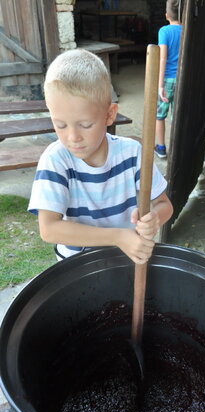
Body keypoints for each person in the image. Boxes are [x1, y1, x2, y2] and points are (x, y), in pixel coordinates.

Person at [28, 49, 173, 264]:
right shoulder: (56, 160)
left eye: (85, 125)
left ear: (109, 115)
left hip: (127, 258)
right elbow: (49, 229)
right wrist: (117, 237)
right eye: (60, 125)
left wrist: (154, 219)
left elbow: (164, 205)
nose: (73, 137)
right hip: (77, 266)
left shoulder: (133, 153)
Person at [154, 0, 182, 159]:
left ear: (166, 15)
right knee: (176, 116)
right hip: (181, 79)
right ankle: (176, 149)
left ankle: (161, 148)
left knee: (160, 115)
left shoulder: (164, 31)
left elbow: (162, 58)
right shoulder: (187, 30)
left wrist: (159, 85)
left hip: (167, 80)